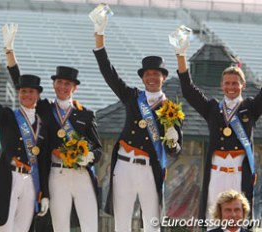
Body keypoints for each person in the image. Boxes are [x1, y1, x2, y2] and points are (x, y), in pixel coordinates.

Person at [3, 23, 102, 232]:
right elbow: (19, 83)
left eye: (67, 84)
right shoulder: (45, 108)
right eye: (59, 83)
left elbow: (99, 148)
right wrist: (10, 53)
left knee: (90, 225)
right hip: (56, 174)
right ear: (54, 84)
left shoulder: (86, 114)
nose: (63, 87)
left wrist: (89, 156)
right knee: (60, 227)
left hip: (82, 173)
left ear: (74, 87)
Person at [91, 11, 183, 232]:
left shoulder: (171, 109)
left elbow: (176, 151)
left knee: (151, 222)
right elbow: (109, 74)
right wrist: (100, 37)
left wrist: (172, 142)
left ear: (163, 77)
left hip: (150, 168)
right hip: (124, 164)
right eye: (148, 74)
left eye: (156, 74)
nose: (152, 77)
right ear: (143, 78)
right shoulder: (133, 97)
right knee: (121, 222)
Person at [170, 26, 262, 222]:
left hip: (239, 174)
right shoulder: (212, 109)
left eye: (235, 83)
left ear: (242, 85)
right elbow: (188, 90)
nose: (231, 87)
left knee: (240, 221)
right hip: (216, 173)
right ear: (222, 85)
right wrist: (181, 54)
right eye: (227, 83)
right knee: (213, 219)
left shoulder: (250, 108)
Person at [0, 60, 48, 231]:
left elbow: (43, 161)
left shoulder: (43, 124)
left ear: (37, 95)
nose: (26, 95)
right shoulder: (7, 116)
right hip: (10, 177)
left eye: (31, 91)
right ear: (18, 93)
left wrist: (45, 194)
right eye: (23, 91)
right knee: (4, 227)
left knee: (24, 227)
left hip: (32, 180)